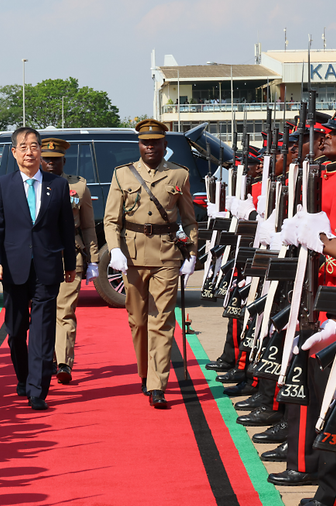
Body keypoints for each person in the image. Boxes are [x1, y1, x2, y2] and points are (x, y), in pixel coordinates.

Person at [103, 119, 198, 409]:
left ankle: (158, 384)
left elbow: (189, 218)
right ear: (139, 145)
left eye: (155, 142)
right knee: (138, 320)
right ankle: (144, 373)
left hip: (166, 254)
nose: (150, 147)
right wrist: (115, 250)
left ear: (164, 145)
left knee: (162, 320)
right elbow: (110, 219)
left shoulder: (179, 175)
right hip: (132, 256)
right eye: (145, 142)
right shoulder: (122, 175)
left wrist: (192, 253)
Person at [0, 127, 76, 411]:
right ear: (13, 153)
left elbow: (65, 229)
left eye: (34, 146)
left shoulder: (57, 185)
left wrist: (70, 264)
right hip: (13, 268)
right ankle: (24, 377)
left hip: (47, 266)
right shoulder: (3, 185)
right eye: (23, 146)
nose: (29, 151)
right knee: (16, 330)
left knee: (42, 329)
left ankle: (37, 388)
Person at [40, 138, 99, 384]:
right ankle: (46, 358)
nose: (51, 163)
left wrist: (93, 260)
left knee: (65, 310)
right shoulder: (31, 185)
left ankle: (63, 362)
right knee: (43, 310)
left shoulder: (79, 187)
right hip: (40, 254)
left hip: (70, 254)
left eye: (56, 159)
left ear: (64, 160)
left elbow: (87, 226)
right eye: (47, 159)